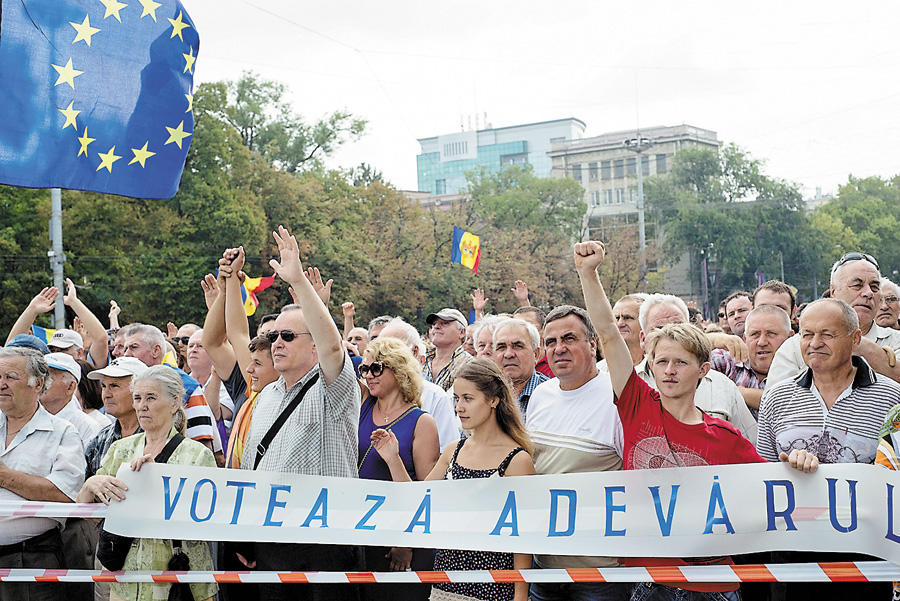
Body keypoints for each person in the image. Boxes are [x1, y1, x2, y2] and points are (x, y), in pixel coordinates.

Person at [575, 240, 777, 601]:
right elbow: (607, 331)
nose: (668, 371)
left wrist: (799, 464)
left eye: (680, 363)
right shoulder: (637, 404)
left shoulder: (726, 436)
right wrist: (587, 273)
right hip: (649, 580)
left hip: (713, 586)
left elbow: (773, 489)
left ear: (702, 370)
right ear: (649, 363)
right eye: (661, 361)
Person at [239, 226, 363, 601]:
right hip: (270, 540)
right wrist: (243, 533)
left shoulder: (334, 386)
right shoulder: (266, 395)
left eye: (288, 336)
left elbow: (331, 343)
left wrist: (298, 282)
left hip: (325, 543)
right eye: (274, 335)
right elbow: (250, 471)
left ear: (314, 347)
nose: (277, 342)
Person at [758, 297, 900, 599]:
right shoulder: (776, 398)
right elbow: (760, 476)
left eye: (827, 334)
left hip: (867, 557)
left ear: (856, 338)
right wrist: (787, 467)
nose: (814, 343)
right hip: (792, 557)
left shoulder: (891, 399)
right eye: (807, 334)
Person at [371, 359, 535, 601]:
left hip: (493, 585)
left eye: (468, 398)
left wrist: (520, 595)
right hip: (446, 580)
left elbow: (524, 537)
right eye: (457, 399)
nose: (459, 407)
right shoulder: (453, 450)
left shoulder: (517, 460)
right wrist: (393, 458)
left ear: (493, 400)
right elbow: (418, 502)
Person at [77, 365, 217, 601]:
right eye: (138, 398)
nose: (142, 405)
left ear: (174, 403)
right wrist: (91, 484)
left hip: (181, 582)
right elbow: (86, 512)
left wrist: (156, 480)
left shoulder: (197, 455)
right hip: (125, 581)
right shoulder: (120, 450)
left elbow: (209, 522)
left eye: (151, 397)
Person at [525, 304, 626, 601]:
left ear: (593, 345)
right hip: (544, 567)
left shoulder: (617, 398)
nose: (559, 349)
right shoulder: (541, 395)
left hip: (600, 572)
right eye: (551, 342)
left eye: (569, 339)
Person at [357, 338, 440, 601]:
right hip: (360, 532)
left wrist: (407, 542)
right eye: (365, 369)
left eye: (376, 368)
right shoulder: (363, 404)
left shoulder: (421, 422)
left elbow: (427, 493)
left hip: (399, 540)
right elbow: (332, 355)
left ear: (399, 369)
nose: (368, 375)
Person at [0, 347, 85, 601]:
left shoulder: (63, 432)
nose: (1, 385)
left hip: (32, 557)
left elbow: (65, 493)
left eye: (10, 377)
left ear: (38, 383)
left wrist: (5, 476)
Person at [767, 252, 900, 387]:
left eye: (875, 287)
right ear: (833, 292)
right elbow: (776, 402)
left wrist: (872, 354)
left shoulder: (896, 341)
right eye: (857, 285)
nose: (868, 293)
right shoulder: (795, 347)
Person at [123, 323, 223, 465]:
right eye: (137, 398)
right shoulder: (118, 449)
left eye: (133, 347)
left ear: (156, 350)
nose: (126, 354)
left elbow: (203, 447)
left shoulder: (186, 386)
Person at [376, 317, 461, 447]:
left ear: (414, 351)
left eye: (392, 348)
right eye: (379, 348)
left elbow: (447, 452)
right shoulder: (371, 391)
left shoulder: (435, 397)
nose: (383, 356)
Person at [710, 305, 794, 418]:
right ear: (745, 338)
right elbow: (682, 350)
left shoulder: (804, 369)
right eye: (755, 334)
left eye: (771, 334)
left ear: (790, 337)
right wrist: (714, 339)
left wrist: (739, 393)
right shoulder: (728, 362)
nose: (762, 342)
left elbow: (791, 403)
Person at [6, 280, 110, 368]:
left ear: (79, 352)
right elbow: (9, 351)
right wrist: (31, 310)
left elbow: (101, 338)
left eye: (63, 350)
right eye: (52, 350)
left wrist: (73, 301)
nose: (56, 354)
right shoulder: (43, 374)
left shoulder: (88, 371)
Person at [491, 317, 548, 418]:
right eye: (501, 347)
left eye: (517, 346)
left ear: (536, 354)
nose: (508, 354)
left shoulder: (550, 395)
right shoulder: (484, 392)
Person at [423, 307, 473, 391]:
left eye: (444, 323)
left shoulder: (469, 366)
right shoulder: (421, 360)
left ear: (461, 332)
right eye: (434, 324)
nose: (436, 327)